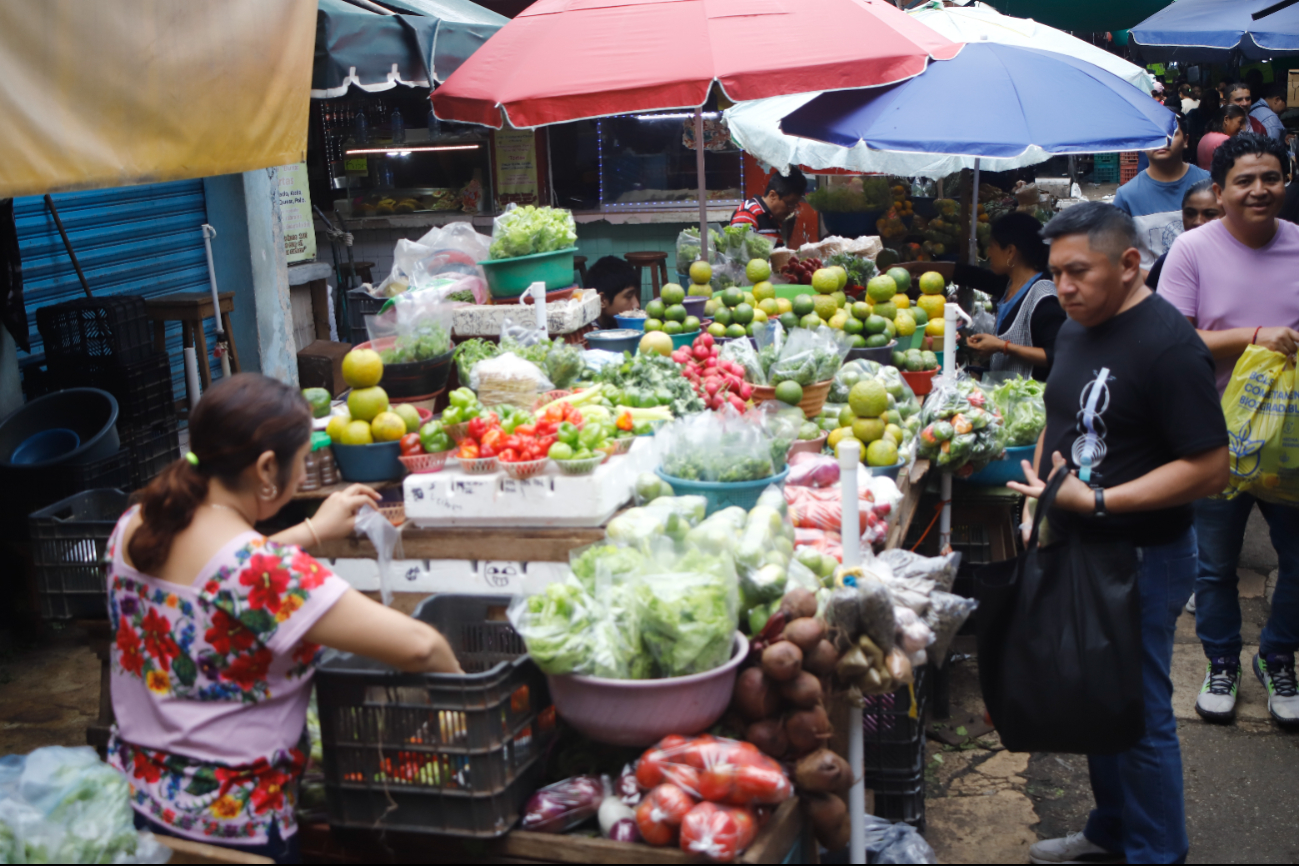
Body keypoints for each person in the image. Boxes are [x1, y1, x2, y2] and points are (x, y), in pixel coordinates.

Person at [106, 374, 462, 862]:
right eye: (300, 465)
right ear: (267, 466)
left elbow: (214, 581)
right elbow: (421, 646)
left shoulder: (136, 524)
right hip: (237, 825)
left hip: (136, 804)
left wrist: (311, 530)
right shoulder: (263, 572)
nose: (300, 479)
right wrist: (466, 700)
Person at [1012, 203, 1229, 866]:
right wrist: (1041, 506)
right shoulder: (1077, 327)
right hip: (1080, 539)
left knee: (1137, 710)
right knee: (1095, 694)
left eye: (1078, 271)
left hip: (1145, 554)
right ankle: (1110, 830)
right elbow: (1060, 414)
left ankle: (1157, 851)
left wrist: (1099, 498)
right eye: (1055, 273)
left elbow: (1210, 468)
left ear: (1129, 264)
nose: (1064, 288)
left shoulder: (1167, 346)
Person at [1158, 133, 1299, 728]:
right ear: (1220, 191)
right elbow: (1172, 341)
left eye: (1270, 177)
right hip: (1212, 440)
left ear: (1286, 182)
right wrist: (1256, 335)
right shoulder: (1192, 250)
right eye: (1245, 180)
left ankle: (1277, 658)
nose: (1259, 190)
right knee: (1212, 567)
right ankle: (1221, 661)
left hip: (1289, 443)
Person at [962, 212, 1064, 381]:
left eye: (992, 246)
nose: (988, 253)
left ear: (1010, 251)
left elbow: (1056, 355)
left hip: (1030, 402)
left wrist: (1002, 346)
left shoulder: (1044, 298)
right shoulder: (1009, 284)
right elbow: (970, 274)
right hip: (1006, 397)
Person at [1113, 117, 1211, 272]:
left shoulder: (1210, 184)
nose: (1163, 140)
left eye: (1171, 133)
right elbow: (1119, 257)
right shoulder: (1127, 196)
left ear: (1186, 140)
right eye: (1154, 133)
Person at [1145, 179, 1222, 291]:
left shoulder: (1239, 260)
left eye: (1209, 214)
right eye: (1190, 214)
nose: (1198, 221)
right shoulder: (1167, 262)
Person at [730, 168, 806, 246]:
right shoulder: (747, 213)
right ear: (772, 195)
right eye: (789, 204)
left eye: (795, 205)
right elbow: (739, 254)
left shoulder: (773, 217)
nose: (792, 210)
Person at [586, 255, 641, 329]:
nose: (637, 305)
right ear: (602, 300)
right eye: (628, 296)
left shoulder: (612, 321)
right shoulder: (588, 334)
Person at [1196, 104, 1248, 170]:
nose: (1241, 127)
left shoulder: (1205, 137)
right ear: (1226, 119)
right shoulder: (1225, 140)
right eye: (1240, 122)